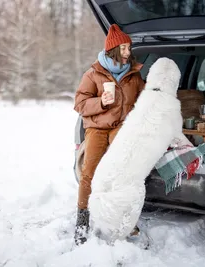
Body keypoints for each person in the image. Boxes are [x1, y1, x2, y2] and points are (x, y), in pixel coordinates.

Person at [73, 24, 145, 245]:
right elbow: (80, 103)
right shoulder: (93, 74)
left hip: (121, 127)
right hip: (96, 127)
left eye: (128, 48)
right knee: (89, 173)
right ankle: (82, 219)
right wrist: (100, 102)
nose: (127, 52)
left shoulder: (133, 74)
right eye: (123, 48)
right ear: (113, 50)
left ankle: (123, 218)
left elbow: (144, 100)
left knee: (121, 172)